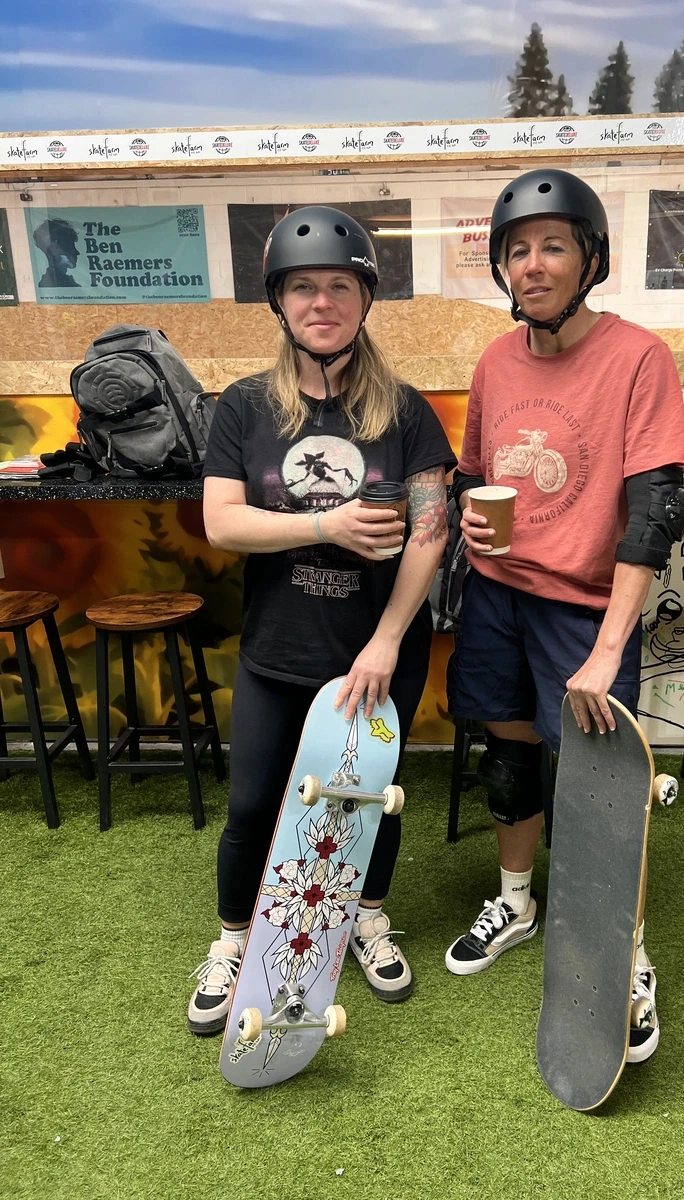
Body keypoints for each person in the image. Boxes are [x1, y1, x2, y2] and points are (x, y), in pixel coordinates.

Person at [188, 206, 455, 1033]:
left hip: (376, 652)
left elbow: (431, 530)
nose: (321, 302)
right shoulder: (243, 408)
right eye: (303, 287)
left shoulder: (405, 411)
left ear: (364, 298)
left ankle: (368, 917)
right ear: (279, 302)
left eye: (339, 285)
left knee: (369, 800)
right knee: (251, 805)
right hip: (277, 647)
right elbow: (222, 524)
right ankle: (234, 941)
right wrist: (323, 525)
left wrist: (385, 642)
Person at [445, 169, 684, 1063]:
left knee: (595, 782)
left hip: (584, 609)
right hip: (497, 593)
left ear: (592, 258)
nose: (533, 264)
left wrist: (606, 648)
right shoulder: (495, 361)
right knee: (509, 756)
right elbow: (477, 473)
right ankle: (515, 900)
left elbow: (658, 508)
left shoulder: (637, 357)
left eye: (552, 246)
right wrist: (472, 509)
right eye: (517, 249)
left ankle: (621, 955)